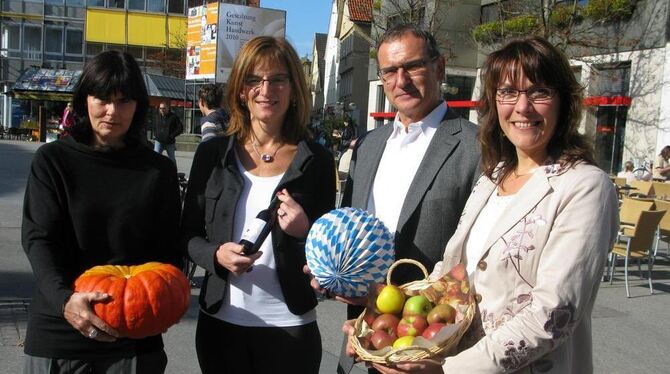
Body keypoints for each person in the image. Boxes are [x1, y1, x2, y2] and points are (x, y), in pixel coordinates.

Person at [347, 35, 620, 374]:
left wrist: (449, 370)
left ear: (564, 100)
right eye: (508, 92)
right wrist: (378, 321)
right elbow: (451, 278)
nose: (523, 107)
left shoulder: (585, 187)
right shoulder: (495, 176)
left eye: (539, 91)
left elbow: (554, 314)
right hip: (448, 352)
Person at [324, 24, 480, 373]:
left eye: (413, 66)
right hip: (362, 337)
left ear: (438, 68)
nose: (401, 80)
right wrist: (333, 271)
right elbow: (352, 229)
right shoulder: (368, 145)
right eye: (390, 71)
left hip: (429, 349)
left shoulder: (476, 147)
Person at [180, 36, 336, 374]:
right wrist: (216, 256)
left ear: (294, 89)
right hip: (221, 324)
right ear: (240, 89)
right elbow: (188, 235)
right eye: (254, 79)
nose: (266, 89)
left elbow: (334, 250)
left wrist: (306, 231)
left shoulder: (318, 160)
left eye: (278, 79)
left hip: (290, 328)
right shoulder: (212, 155)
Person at [21, 50, 182, 373]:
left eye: (124, 101)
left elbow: (168, 251)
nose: (112, 111)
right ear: (85, 100)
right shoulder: (53, 161)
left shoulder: (157, 170)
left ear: (138, 107)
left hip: (135, 335)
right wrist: (65, 301)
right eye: (102, 98)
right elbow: (39, 240)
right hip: (61, 329)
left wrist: (164, 303)